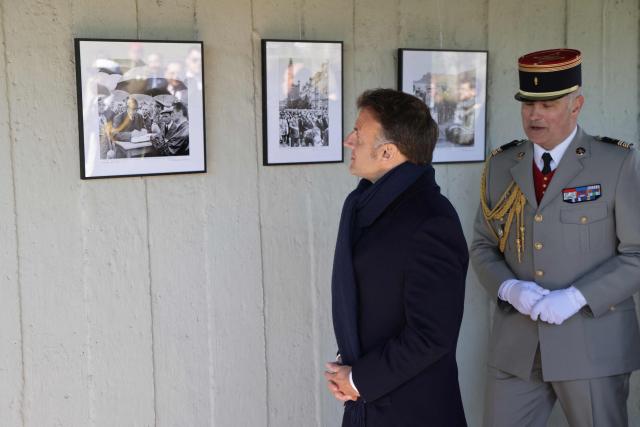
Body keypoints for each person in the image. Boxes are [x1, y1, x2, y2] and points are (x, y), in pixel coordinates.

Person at [471, 48, 640, 426]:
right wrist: (508, 289)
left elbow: (637, 255)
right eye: (528, 104)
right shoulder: (502, 165)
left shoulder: (615, 163)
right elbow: (483, 246)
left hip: (592, 344)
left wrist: (578, 297)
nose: (534, 114)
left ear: (576, 105)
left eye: (547, 104)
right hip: (517, 347)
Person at [325, 88, 468, 427]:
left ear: (387, 152)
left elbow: (432, 334)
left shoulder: (431, 220)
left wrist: (358, 379)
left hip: (413, 410)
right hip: (366, 405)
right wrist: (349, 371)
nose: (349, 140)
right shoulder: (364, 205)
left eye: (358, 132)